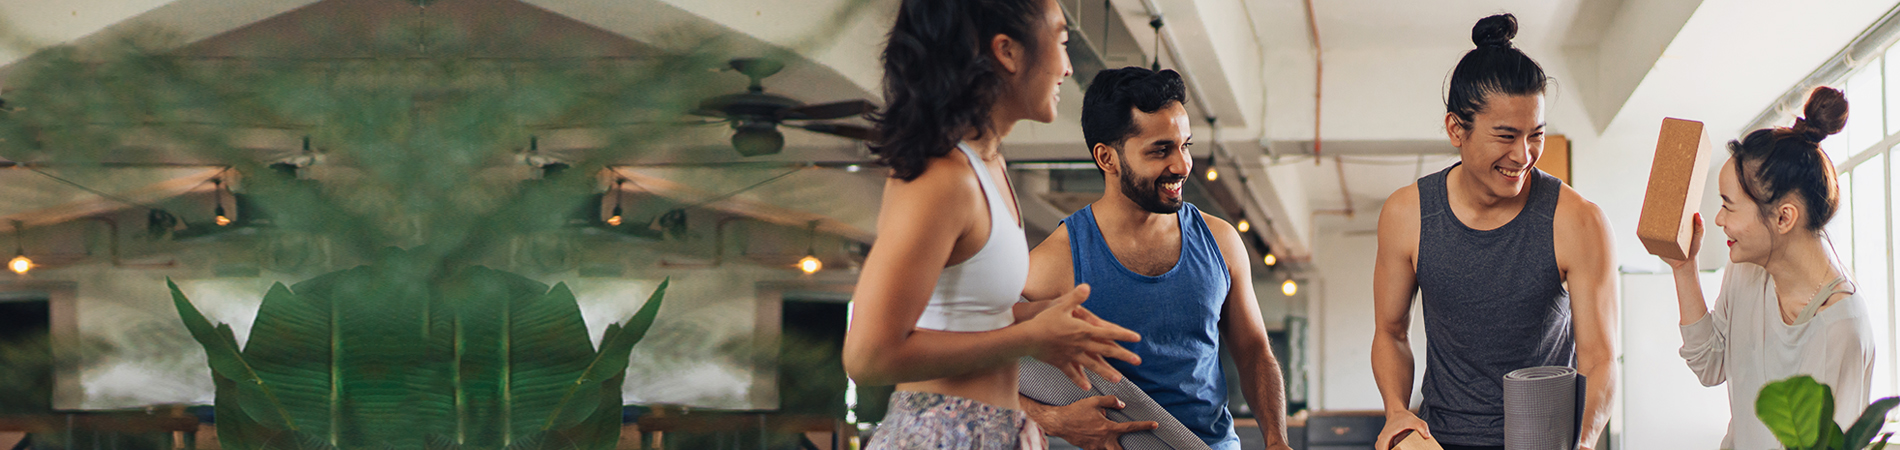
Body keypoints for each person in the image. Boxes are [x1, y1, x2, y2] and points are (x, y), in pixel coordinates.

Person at [842, 0, 1144, 448]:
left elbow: (960, 316)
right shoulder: (942, 178)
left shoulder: (989, 166)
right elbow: (868, 357)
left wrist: (1041, 319)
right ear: (1007, 51)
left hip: (994, 431)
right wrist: (1028, 337)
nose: (1066, 68)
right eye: (1062, 41)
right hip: (942, 435)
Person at [1369, 14, 1617, 450]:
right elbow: (1391, 331)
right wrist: (1397, 411)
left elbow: (1599, 360)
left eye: (1535, 135)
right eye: (1506, 136)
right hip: (1440, 439)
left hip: (1544, 441)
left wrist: (1583, 443)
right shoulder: (1407, 214)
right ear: (1455, 130)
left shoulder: (1578, 220)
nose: (1523, 155)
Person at [1015, 67, 1293, 450]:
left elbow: (1254, 351)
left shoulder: (1221, 240)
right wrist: (1052, 419)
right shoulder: (1056, 260)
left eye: (1185, 146)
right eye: (1161, 150)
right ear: (1107, 158)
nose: (1182, 165)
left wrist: (1277, 440)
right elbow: (971, 366)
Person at [1665, 86, 1874, 450]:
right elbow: (1711, 364)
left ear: (1783, 217)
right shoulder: (1748, 269)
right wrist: (1684, 268)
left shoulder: (1842, 328)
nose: (1717, 219)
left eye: (1728, 206)